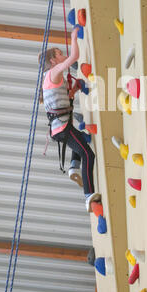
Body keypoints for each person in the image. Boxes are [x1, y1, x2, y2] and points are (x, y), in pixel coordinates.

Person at [38, 26, 101, 212]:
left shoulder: (51, 79)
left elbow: (63, 101)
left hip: (60, 129)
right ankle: (89, 195)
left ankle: (74, 167)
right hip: (62, 128)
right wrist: (74, 38)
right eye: (59, 53)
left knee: (81, 138)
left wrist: (73, 90)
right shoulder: (53, 73)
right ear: (53, 60)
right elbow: (74, 57)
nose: (63, 55)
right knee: (89, 154)